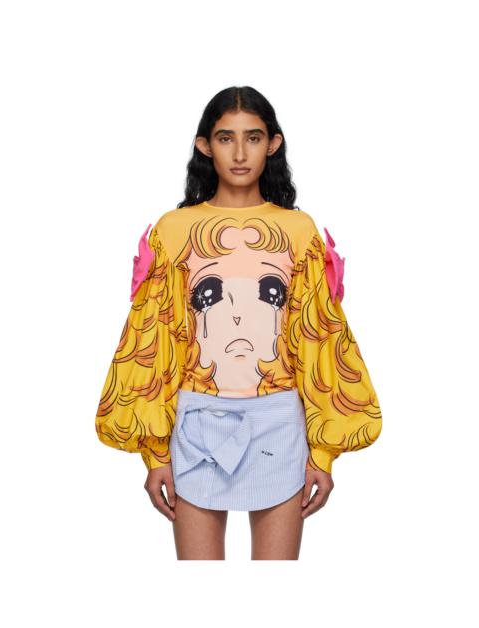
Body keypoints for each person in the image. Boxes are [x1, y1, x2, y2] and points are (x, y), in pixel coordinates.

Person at [95, 86, 382, 560]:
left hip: (279, 423)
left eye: (253, 137)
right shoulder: (174, 230)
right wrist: (155, 453)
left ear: (273, 143)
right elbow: (154, 336)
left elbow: (319, 337)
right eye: (226, 138)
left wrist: (323, 453)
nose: (241, 153)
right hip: (196, 425)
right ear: (205, 145)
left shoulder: (298, 231)